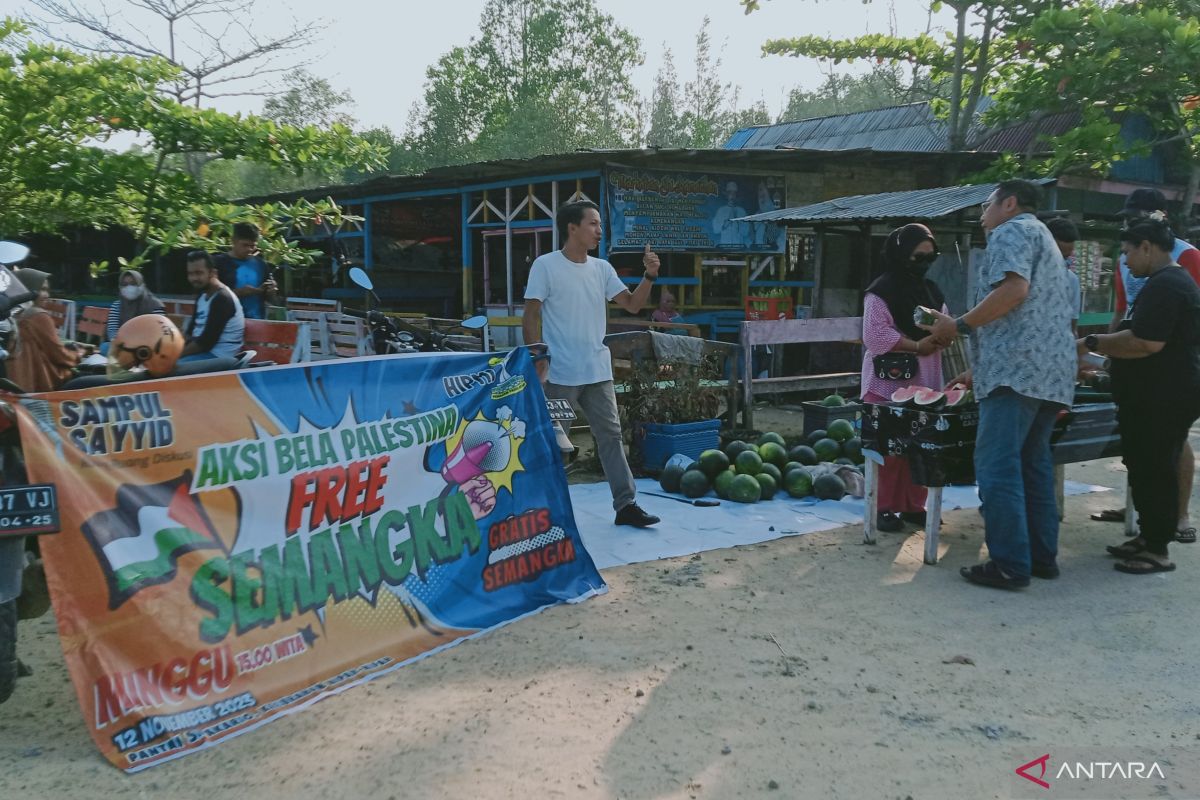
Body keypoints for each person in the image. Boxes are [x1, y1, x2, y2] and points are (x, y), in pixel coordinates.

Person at [923, 180, 1076, 589]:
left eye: (987, 204)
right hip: (1051, 371)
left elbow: (1015, 289)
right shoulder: (1045, 236)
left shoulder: (1012, 231)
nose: (982, 213)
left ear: (1009, 203)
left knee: (997, 466)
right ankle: (1041, 558)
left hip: (1016, 373)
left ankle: (1009, 563)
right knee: (1033, 464)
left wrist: (958, 325)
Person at [523, 200, 661, 528]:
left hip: (597, 370)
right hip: (559, 372)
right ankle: (545, 513)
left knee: (611, 436)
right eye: (593, 224)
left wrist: (649, 275)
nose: (599, 231)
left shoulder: (602, 269)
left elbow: (632, 305)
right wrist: (536, 358)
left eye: (599, 225)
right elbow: (531, 312)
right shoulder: (546, 265)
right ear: (572, 228)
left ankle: (626, 505)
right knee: (555, 445)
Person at [1081, 216, 1200, 573]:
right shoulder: (1163, 282)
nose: (1126, 262)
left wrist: (1090, 343)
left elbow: (1146, 342)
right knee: (1143, 466)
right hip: (1153, 393)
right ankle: (1149, 537)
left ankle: (1158, 549)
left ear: (1148, 247)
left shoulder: (1168, 284)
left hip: (1165, 395)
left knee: (1156, 468)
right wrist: (1105, 367)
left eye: (1128, 253)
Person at [861, 224, 947, 532]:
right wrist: (916, 345)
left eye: (929, 256)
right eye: (917, 256)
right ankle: (883, 506)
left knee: (920, 448)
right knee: (888, 449)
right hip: (888, 383)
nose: (924, 262)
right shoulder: (880, 291)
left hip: (925, 378)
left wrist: (942, 336)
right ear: (900, 255)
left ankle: (913, 506)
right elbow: (875, 335)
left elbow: (945, 323)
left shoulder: (932, 291)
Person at [7, 268, 80, 392]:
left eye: (47, 290)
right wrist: (77, 355)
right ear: (27, 289)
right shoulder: (38, 315)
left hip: (13, 386)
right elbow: (59, 355)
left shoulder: (10, 314)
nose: (47, 295)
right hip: (41, 386)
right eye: (42, 289)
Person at [181, 250, 244, 362]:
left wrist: (175, 356)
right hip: (203, 354)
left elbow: (205, 343)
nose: (194, 278)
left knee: (170, 368)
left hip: (220, 358)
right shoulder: (202, 295)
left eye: (199, 273)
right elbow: (190, 332)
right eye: (190, 274)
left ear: (212, 273)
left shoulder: (222, 298)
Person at [214, 223, 279, 320]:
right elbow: (210, 296)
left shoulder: (261, 264)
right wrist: (238, 293)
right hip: (227, 324)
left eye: (253, 246)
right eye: (245, 245)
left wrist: (272, 291)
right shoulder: (218, 263)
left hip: (257, 323)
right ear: (233, 241)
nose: (249, 249)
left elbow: (271, 299)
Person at [103, 269, 165, 352]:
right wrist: (119, 343)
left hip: (147, 346)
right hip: (122, 345)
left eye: (133, 283)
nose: (129, 287)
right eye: (124, 284)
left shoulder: (154, 305)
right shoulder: (117, 305)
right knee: (105, 347)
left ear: (141, 285)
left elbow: (158, 331)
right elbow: (112, 330)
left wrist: (137, 344)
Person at [1044, 217, 1081, 336]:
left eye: (1066, 257)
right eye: (1057, 256)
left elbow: (1072, 325)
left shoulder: (1071, 280)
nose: (1062, 262)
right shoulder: (1025, 278)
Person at [711, 181, 748, 247]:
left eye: (734, 193)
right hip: (725, 247)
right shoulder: (721, 210)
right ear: (726, 195)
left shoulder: (741, 211)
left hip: (738, 247)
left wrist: (737, 220)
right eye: (730, 193)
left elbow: (745, 232)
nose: (732, 196)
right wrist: (726, 223)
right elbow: (715, 230)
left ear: (737, 195)